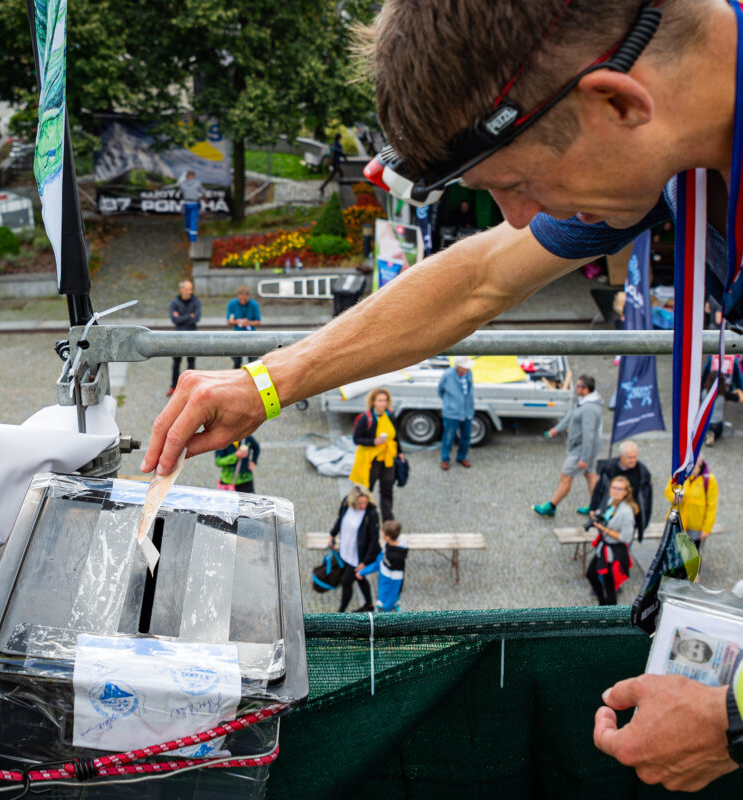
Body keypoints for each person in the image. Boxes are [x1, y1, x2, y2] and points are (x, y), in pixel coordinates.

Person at [141, 2, 743, 788]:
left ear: (617, 102)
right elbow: (482, 277)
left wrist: (732, 721)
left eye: (519, 182)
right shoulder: (672, 113)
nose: (521, 217)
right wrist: (267, 381)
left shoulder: (639, 119)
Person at [534, 375, 602, 517]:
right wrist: (556, 429)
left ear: (586, 389)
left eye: (578, 386)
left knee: (566, 475)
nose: (576, 388)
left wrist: (584, 457)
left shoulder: (588, 408)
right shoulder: (584, 401)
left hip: (582, 449)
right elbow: (571, 416)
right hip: (588, 449)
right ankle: (595, 507)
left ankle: (551, 506)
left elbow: (588, 434)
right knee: (590, 476)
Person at [349, 387, 405, 522]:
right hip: (371, 461)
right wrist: (374, 441)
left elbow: (395, 436)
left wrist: (400, 452)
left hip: (387, 459)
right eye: (380, 401)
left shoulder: (389, 415)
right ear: (373, 402)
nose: (383, 404)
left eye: (385, 401)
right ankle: (365, 517)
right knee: (366, 490)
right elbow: (357, 439)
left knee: (387, 490)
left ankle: (388, 519)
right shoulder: (365, 418)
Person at [585, 475, 637, 606]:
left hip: (614, 551)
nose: (616, 491)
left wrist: (604, 529)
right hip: (604, 547)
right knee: (592, 575)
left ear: (626, 492)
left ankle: (608, 610)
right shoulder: (611, 502)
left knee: (610, 585)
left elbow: (626, 537)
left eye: (620, 489)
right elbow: (605, 516)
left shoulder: (626, 512)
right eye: (614, 488)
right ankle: (603, 605)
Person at [328, 485, 380, 613]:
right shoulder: (347, 503)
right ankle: (369, 606)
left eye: (365, 502)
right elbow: (340, 520)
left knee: (346, 581)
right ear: (353, 501)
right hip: (346, 550)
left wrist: (364, 562)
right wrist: (332, 534)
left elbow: (374, 540)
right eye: (360, 503)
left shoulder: (371, 513)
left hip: (359, 556)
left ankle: (340, 612)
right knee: (359, 578)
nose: (363, 506)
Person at [585, 440, 652, 538]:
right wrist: (593, 508)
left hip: (630, 517)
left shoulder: (643, 473)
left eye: (635, 457)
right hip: (608, 514)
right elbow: (598, 490)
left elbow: (647, 499)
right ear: (621, 456)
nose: (633, 460)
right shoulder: (609, 469)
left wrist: (644, 522)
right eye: (630, 457)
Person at [664, 456, 718, 552]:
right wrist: (674, 497)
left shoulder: (709, 480)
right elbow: (668, 491)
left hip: (695, 527)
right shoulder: (678, 474)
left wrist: (706, 529)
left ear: (700, 461)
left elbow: (711, 507)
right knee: (674, 553)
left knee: (690, 555)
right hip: (677, 522)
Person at [357, 519, 408, 612]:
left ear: (387, 537)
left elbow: (395, 584)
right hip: (384, 592)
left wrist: (385, 606)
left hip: (386, 599)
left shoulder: (395, 557)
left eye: (382, 532)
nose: (380, 533)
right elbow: (379, 563)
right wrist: (363, 572)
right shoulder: (389, 547)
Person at [437, 356, 474, 470]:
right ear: (458, 366)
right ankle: (445, 459)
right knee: (448, 437)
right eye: (465, 367)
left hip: (467, 411)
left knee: (466, 437)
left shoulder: (469, 373)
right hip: (452, 413)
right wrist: (450, 404)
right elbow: (440, 390)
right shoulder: (448, 375)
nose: (467, 369)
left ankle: (462, 457)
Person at [167, 280, 201, 396]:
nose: (190, 292)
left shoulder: (196, 301)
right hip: (178, 337)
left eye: (191, 289)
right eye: (187, 289)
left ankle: (191, 387)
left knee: (191, 363)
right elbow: (174, 319)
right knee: (176, 363)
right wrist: (189, 316)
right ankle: (173, 386)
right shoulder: (174, 302)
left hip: (192, 336)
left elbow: (196, 318)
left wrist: (181, 317)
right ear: (181, 290)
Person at [701, 354, 743, 446]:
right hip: (717, 424)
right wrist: (739, 391)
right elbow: (740, 399)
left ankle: (708, 433)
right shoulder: (724, 394)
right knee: (717, 429)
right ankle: (713, 434)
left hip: (705, 423)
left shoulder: (703, 392)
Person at [226, 286, 261, 369]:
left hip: (251, 336)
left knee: (253, 362)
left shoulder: (254, 305)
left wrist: (248, 323)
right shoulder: (232, 304)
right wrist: (237, 321)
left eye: (244, 300)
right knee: (236, 361)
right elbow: (229, 321)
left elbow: (258, 322)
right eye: (240, 300)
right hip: (237, 336)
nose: (242, 302)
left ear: (248, 297)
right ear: (237, 296)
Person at [178, 170, 204, 243]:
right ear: (193, 176)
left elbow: (180, 192)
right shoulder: (197, 183)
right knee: (193, 220)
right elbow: (203, 191)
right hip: (194, 203)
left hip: (186, 203)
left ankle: (187, 233)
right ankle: (192, 239)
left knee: (187, 219)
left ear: (187, 176)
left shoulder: (182, 183)